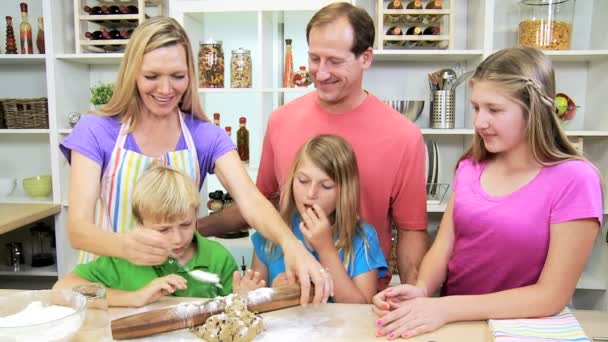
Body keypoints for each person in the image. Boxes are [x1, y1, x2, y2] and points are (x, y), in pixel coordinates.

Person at [59, 16, 331, 305]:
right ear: (132, 74)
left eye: (177, 76)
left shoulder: (203, 136)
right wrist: (125, 247)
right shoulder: (96, 130)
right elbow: (78, 230)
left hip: (181, 294)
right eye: (152, 76)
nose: (165, 90)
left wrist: (292, 246)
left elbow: (251, 201)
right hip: (108, 292)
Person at [372, 47, 604, 339]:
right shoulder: (471, 166)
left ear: (534, 110)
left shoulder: (575, 180)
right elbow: (444, 247)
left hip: (526, 329)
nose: (480, 121)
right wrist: (421, 290)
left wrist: (446, 308)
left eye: (494, 110)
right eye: (477, 107)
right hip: (459, 327)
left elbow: (551, 295)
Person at [197, 2, 428, 289]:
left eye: (334, 61)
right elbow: (260, 204)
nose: (320, 72)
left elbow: (411, 229)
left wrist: (416, 296)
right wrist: (195, 230)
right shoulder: (281, 120)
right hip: (289, 300)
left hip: (359, 303)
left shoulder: (403, 136)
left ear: (365, 58)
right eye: (315, 58)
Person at [53, 165, 246, 307]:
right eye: (163, 230)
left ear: (196, 214)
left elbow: (236, 310)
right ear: (140, 224)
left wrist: (245, 298)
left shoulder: (218, 258)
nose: (177, 238)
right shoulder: (122, 260)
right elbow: (61, 290)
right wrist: (135, 297)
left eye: (186, 225)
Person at [249, 135, 388, 303]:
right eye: (303, 181)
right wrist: (273, 293)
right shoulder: (271, 233)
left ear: (344, 191)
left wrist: (326, 249)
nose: (311, 193)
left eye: (326, 186)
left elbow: (361, 308)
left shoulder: (363, 238)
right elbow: (257, 303)